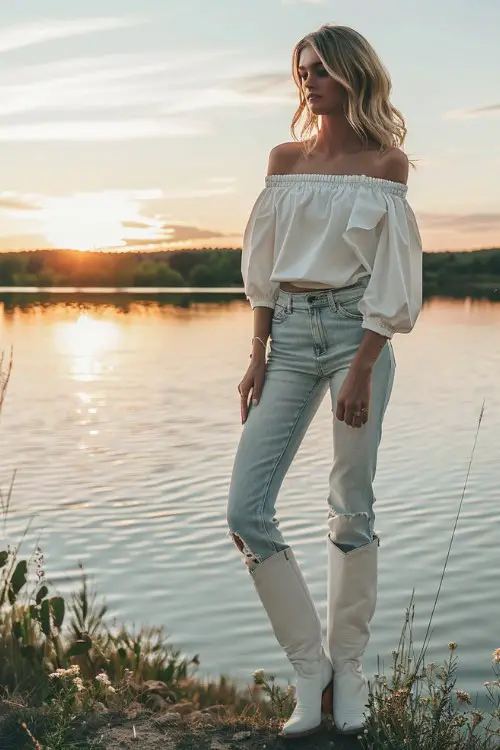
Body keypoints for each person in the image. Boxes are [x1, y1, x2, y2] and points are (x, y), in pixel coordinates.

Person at [226, 23, 422, 740]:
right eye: (301, 69)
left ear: (352, 75)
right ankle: (309, 668)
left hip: (355, 337)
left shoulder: (386, 165)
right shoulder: (284, 160)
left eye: (320, 70)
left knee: (351, 506)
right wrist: (257, 355)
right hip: (291, 338)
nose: (307, 79)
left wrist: (365, 364)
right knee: (246, 511)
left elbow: (395, 277)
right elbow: (263, 268)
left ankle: (350, 669)